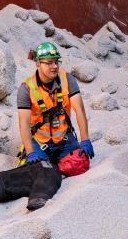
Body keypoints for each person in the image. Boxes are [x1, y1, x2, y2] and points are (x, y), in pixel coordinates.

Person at [16, 42, 94, 208]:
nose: (54, 66)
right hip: (40, 142)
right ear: (37, 63)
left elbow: (79, 109)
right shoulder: (26, 88)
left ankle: (57, 164)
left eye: (56, 62)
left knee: (81, 164)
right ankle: (32, 159)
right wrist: (30, 152)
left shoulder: (67, 79)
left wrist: (85, 139)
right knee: (36, 172)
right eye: (48, 62)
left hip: (64, 139)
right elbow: (23, 123)